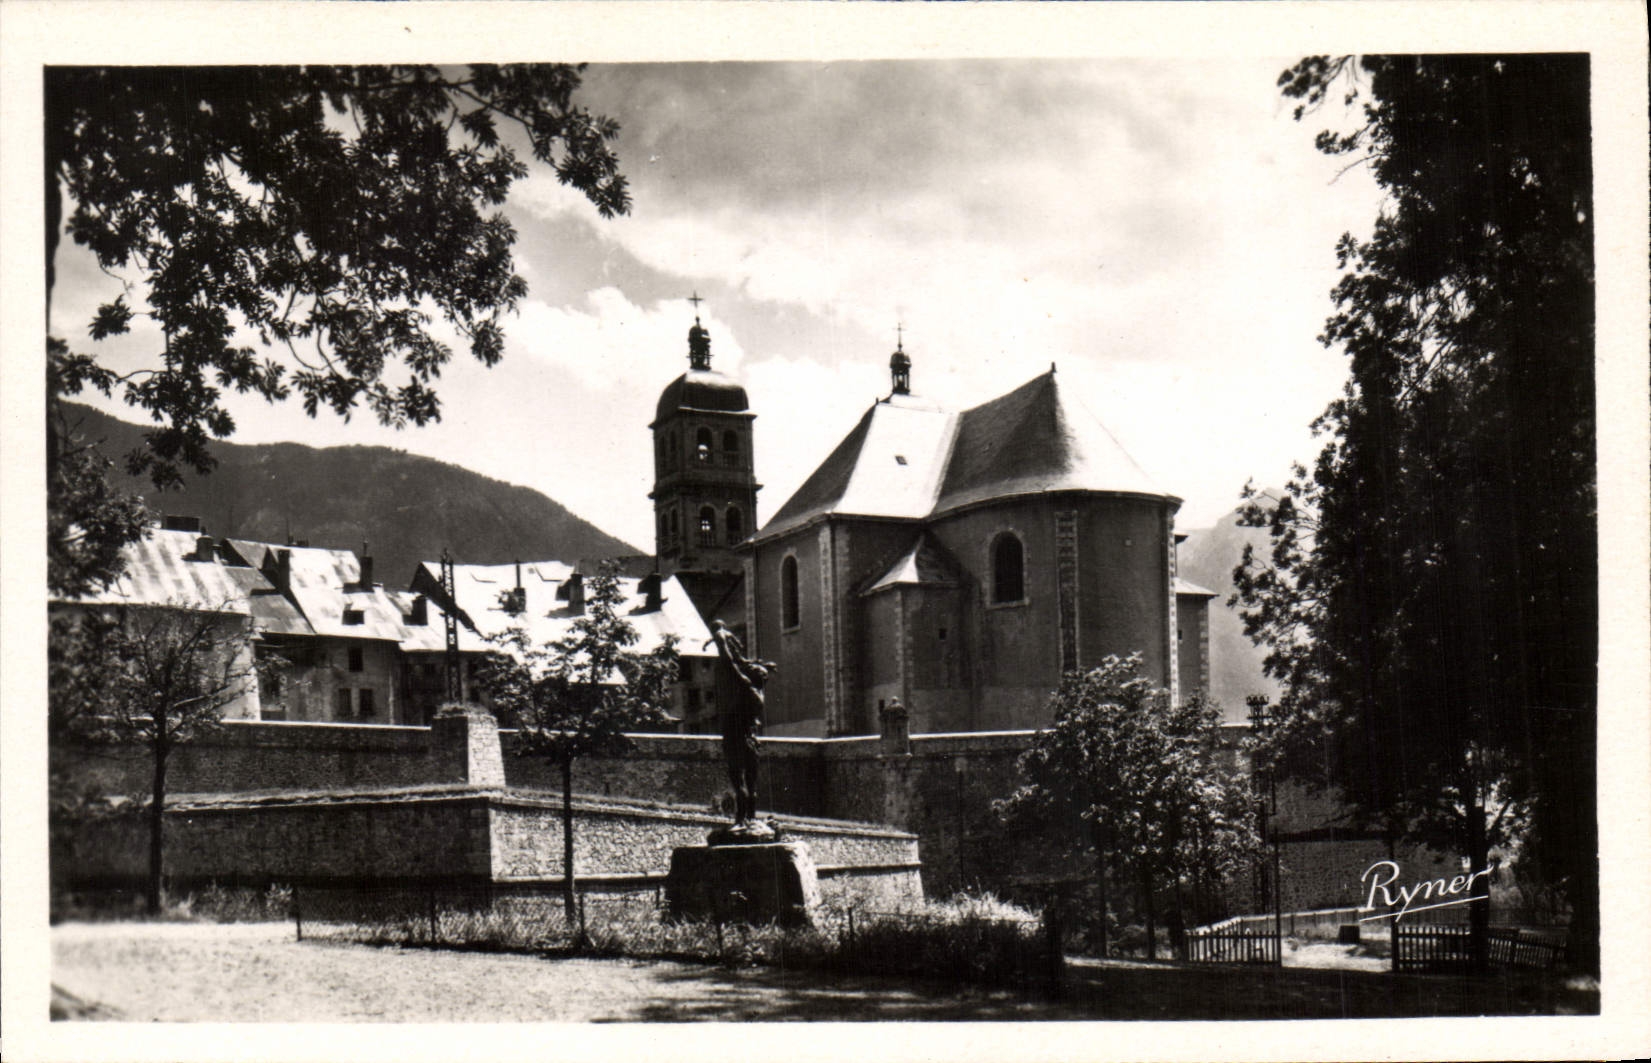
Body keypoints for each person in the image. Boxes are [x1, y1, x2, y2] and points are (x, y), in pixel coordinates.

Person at [705, 620, 773, 827]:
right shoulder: (758, 693)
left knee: (739, 782)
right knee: (751, 785)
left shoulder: (747, 687)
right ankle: (751, 821)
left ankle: (740, 821)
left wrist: (721, 641)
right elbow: (741, 663)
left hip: (736, 739)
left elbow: (731, 664)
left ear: (752, 677)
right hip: (751, 741)